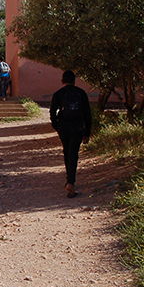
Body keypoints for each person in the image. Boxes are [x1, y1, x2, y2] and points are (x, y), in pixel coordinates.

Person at [49, 70, 93, 199]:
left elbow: (52, 112)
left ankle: (69, 179)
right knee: (73, 152)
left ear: (62, 81)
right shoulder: (81, 93)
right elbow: (87, 114)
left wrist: (56, 126)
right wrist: (87, 131)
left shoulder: (58, 94)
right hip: (77, 126)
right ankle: (71, 182)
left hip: (63, 127)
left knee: (67, 151)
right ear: (74, 81)